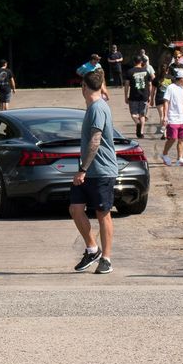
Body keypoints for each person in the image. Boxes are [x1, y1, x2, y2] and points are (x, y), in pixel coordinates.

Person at [70, 70, 117, 275]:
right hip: (89, 171)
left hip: (102, 171)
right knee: (75, 208)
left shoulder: (98, 108)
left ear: (84, 87)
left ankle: (106, 259)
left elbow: (95, 141)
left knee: (102, 214)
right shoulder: (93, 107)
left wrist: (82, 169)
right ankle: (92, 249)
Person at [161, 69, 183, 166]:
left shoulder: (182, 89)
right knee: (172, 138)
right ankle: (164, 154)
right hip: (172, 117)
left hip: (182, 118)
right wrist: (165, 116)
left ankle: (180, 159)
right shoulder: (171, 87)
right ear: (182, 79)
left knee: (182, 139)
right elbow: (166, 101)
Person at [124, 55, 151, 138]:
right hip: (144, 95)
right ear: (141, 62)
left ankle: (137, 122)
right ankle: (141, 132)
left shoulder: (130, 72)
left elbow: (127, 85)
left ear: (134, 62)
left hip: (133, 95)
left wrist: (126, 96)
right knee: (142, 114)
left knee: (133, 113)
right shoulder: (146, 71)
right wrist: (149, 95)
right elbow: (150, 84)